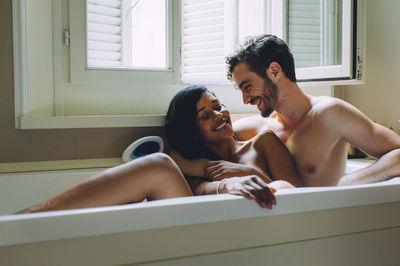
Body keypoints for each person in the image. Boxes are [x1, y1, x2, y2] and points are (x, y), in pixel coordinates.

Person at [16, 85, 301, 214]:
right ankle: (34, 216)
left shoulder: (263, 142)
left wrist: (248, 173)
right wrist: (225, 184)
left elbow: (305, 195)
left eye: (217, 105)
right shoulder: (195, 162)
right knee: (158, 165)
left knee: (283, 187)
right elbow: (198, 192)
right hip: (209, 233)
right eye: (204, 115)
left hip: (265, 228)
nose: (219, 115)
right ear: (193, 133)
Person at [225, 34, 400, 186]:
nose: (245, 99)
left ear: (275, 71)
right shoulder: (258, 127)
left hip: (327, 222)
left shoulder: (329, 114)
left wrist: (351, 181)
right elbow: (204, 139)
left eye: (247, 87)